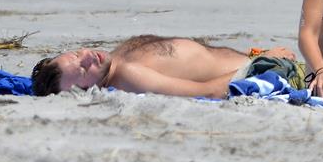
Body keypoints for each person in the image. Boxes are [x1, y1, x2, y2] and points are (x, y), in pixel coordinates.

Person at [31, 35, 296, 97]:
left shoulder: (111, 62)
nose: (88, 56)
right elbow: (207, 91)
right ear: (84, 91)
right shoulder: (129, 76)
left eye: (78, 54)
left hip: (260, 57)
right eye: (82, 71)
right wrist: (262, 62)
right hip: (275, 68)